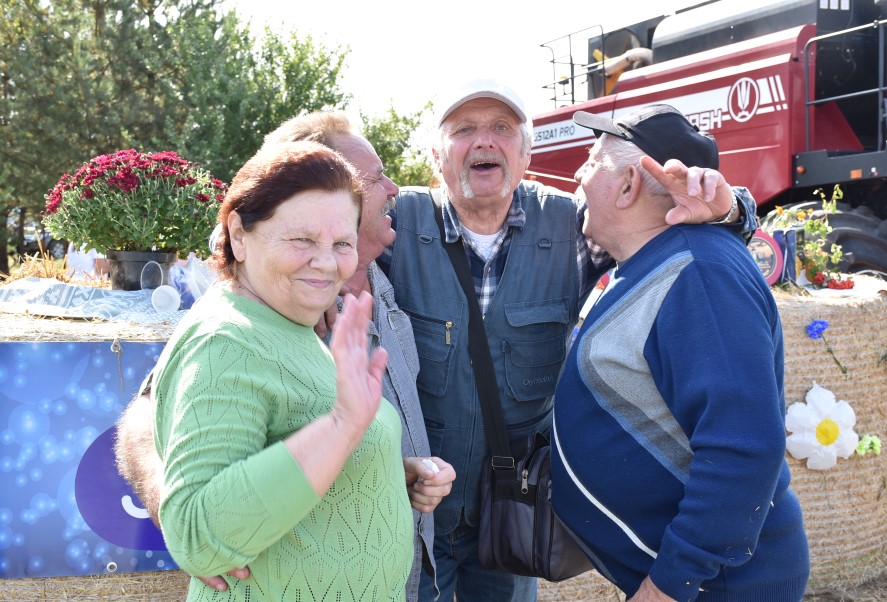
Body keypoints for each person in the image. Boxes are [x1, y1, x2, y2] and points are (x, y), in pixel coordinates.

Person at [376, 78, 760, 602]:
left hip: (514, 507)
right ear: (436, 155)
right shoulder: (394, 226)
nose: (484, 140)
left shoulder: (573, 226)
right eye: (464, 129)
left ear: (526, 153)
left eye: (502, 127)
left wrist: (729, 207)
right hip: (412, 505)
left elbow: (675, 218)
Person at [114, 112, 455, 601]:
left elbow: (290, 440)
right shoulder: (227, 339)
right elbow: (197, 538)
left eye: (341, 243)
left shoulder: (290, 316)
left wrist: (380, 466)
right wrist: (342, 427)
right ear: (238, 235)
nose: (326, 261)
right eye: (302, 239)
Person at [550, 104, 810, 601]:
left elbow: (743, 449)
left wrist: (671, 583)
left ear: (628, 185)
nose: (578, 176)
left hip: (718, 587)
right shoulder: (659, 259)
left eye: (591, 161)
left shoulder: (700, 276)